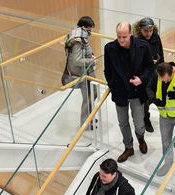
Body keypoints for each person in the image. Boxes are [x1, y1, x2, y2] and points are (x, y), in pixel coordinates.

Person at [104, 22, 154, 162]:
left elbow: (150, 67)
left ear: (131, 33)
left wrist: (141, 79)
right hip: (120, 93)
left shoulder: (143, 46)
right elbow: (107, 70)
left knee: (139, 123)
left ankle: (141, 138)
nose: (121, 40)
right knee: (123, 123)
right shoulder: (109, 48)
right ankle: (128, 147)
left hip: (137, 92)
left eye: (124, 37)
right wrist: (112, 86)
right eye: (119, 36)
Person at [64, 16, 98, 129]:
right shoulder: (78, 40)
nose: (90, 32)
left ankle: (90, 117)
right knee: (88, 98)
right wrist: (92, 61)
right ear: (83, 27)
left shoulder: (80, 36)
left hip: (85, 72)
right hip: (81, 74)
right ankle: (86, 124)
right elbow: (77, 60)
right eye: (89, 29)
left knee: (93, 94)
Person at [133, 17, 164, 133]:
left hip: (155, 73)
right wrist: (149, 61)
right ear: (140, 29)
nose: (148, 33)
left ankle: (144, 114)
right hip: (144, 75)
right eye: (146, 31)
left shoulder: (156, 37)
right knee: (145, 100)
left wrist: (162, 68)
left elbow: (160, 53)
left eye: (150, 30)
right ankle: (146, 118)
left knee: (155, 96)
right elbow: (135, 60)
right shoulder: (136, 41)